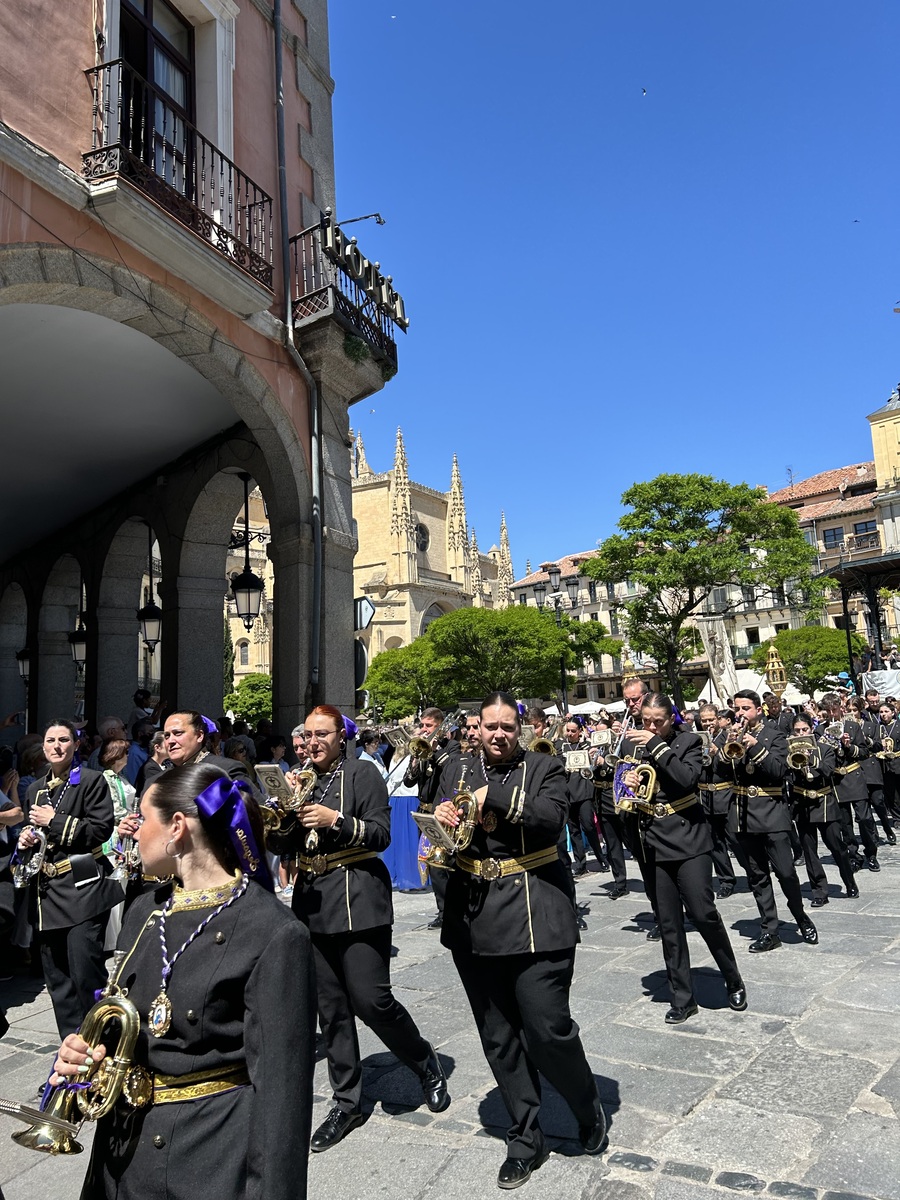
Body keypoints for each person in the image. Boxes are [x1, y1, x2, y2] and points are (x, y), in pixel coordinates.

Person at [50, 761, 315, 1200]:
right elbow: (127, 1029)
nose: (133, 831)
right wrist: (87, 1059)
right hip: (122, 1159)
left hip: (210, 1162)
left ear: (176, 827)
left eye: (143, 818)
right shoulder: (143, 909)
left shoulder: (273, 932)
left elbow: (282, 1101)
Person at [435, 691, 606, 1188]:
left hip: (537, 913)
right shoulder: (456, 770)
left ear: (521, 729)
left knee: (547, 1030)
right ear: (477, 727)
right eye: (489, 726)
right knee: (498, 1036)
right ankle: (527, 1137)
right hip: (474, 916)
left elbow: (553, 820)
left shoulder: (545, 767)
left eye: (507, 727)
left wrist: (498, 800)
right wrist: (443, 821)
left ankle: (584, 1102)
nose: (497, 735)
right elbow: (440, 829)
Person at [272, 704, 449, 1153]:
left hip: (358, 898)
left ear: (341, 738)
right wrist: (282, 811)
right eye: (307, 735)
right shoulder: (300, 778)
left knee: (372, 999)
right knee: (329, 1009)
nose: (312, 742)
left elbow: (381, 834)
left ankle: (423, 1060)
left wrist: (336, 821)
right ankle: (347, 1101)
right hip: (313, 900)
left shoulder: (362, 774)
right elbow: (281, 843)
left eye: (321, 735)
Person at [620, 694, 746, 1023]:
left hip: (689, 838)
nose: (649, 727)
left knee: (703, 912)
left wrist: (656, 745)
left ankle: (732, 976)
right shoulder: (631, 745)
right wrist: (627, 784)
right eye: (645, 721)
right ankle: (682, 997)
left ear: (671, 719)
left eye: (657, 722)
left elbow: (686, 778)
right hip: (653, 842)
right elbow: (622, 795)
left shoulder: (690, 741)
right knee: (669, 923)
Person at [17, 720, 122, 1036]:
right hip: (46, 893)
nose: (56, 746)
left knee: (85, 971)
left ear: (76, 745)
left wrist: (55, 820)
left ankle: (106, 1045)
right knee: (58, 981)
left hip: (83, 875)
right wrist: (27, 839)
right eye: (51, 740)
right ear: (43, 746)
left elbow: (100, 831)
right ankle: (72, 1055)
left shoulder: (90, 781)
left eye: (64, 740)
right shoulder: (36, 789)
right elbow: (38, 835)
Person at [726, 691, 818, 953]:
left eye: (745, 708)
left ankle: (800, 915)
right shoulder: (730, 735)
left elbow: (779, 771)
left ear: (758, 709)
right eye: (737, 708)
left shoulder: (775, 734)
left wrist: (754, 746)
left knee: (786, 872)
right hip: (744, 814)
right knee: (757, 876)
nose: (740, 713)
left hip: (772, 812)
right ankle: (770, 929)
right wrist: (726, 748)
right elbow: (719, 771)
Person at [789, 713, 857, 905]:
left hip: (824, 803)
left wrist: (812, 759)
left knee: (837, 846)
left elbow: (829, 771)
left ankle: (849, 881)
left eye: (804, 730)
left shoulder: (825, 748)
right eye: (797, 731)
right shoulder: (789, 751)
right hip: (802, 804)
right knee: (809, 852)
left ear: (811, 729)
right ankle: (819, 891)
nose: (801, 734)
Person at [404, 707, 461, 929]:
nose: (424, 730)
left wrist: (434, 750)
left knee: (446, 863)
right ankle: (443, 910)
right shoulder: (422, 751)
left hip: (443, 811)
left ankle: (453, 908)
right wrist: (415, 760)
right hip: (425, 811)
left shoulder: (451, 747)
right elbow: (409, 782)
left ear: (440, 727)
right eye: (422, 725)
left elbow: (451, 770)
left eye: (429, 726)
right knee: (432, 862)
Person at [697, 703, 743, 899]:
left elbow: (732, 767)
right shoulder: (696, 738)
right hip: (705, 797)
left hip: (726, 795)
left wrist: (718, 753)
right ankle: (726, 880)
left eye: (711, 720)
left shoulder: (728, 737)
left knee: (735, 839)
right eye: (704, 720)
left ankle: (753, 870)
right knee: (714, 842)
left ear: (718, 719)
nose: (708, 723)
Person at [560, 718, 606, 878]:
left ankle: (601, 858)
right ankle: (580, 864)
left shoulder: (587, 745)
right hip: (567, 793)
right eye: (568, 730)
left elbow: (594, 765)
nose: (570, 733)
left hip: (584, 791)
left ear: (580, 731)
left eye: (573, 730)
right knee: (573, 831)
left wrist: (593, 755)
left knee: (588, 826)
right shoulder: (561, 746)